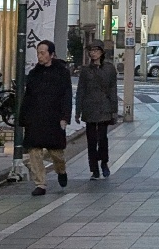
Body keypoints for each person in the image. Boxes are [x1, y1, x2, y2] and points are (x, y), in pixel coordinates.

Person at [18, 39, 72, 195]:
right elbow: (28, 97)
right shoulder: (34, 74)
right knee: (34, 151)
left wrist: (65, 117)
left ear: (51, 54)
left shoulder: (62, 73)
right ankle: (40, 184)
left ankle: (61, 170)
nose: (40, 56)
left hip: (54, 118)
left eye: (43, 53)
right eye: (38, 53)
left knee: (56, 153)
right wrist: (23, 117)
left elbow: (67, 96)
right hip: (35, 118)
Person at [75, 39, 118, 179]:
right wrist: (78, 111)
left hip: (104, 107)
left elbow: (113, 90)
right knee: (91, 140)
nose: (93, 53)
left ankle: (104, 162)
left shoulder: (109, 69)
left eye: (96, 50)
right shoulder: (85, 70)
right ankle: (94, 168)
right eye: (91, 51)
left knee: (103, 138)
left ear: (101, 52)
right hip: (89, 108)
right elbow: (81, 90)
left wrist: (114, 110)